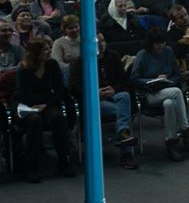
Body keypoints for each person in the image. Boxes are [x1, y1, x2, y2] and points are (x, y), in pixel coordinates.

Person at [68, 33, 138, 169]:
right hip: (94, 100)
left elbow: (124, 81)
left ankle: (123, 134)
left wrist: (114, 89)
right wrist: (93, 93)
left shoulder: (113, 57)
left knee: (124, 96)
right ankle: (126, 150)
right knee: (122, 111)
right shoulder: (81, 62)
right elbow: (73, 87)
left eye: (103, 40)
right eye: (98, 41)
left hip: (112, 95)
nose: (102, 44)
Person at [129, 28, 189, 161]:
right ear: (151, 43)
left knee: (169, 104)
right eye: (157, 43)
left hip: (167, 89)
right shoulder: (142, 55)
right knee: (177, 92)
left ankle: (171, 142)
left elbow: (177, 75)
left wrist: (169, 80)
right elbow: (134, 79)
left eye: (163, 42)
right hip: (150, 93)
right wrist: (152, 80)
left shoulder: (168, 52)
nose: (161, 46)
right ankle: (186, 129)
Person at [15, 39, 75, 182]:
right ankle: (32, 165)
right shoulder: (23, 69)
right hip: (28, 105)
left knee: (57, 118)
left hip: (48, 104)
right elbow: (25, 94)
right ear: (36, 53)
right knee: (34, 121)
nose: (49, 52)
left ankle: (64, 161)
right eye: (45, 50)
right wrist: (46, 97)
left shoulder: (52, 65)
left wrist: (46, 104)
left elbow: (59, 90)